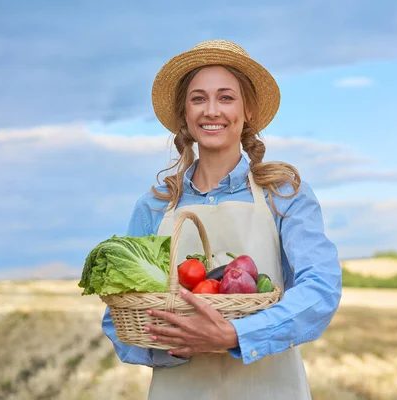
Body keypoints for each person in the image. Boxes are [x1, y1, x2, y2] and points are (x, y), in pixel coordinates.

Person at [102, 40, 342, 399]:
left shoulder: (284, 194)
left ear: (248, 111)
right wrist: (174, 345)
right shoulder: (155, 206)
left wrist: (235, 336)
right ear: (184, 114)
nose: (211, 110)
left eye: (226, 98)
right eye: (198, 99)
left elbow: (320, 289)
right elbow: (118, 312)